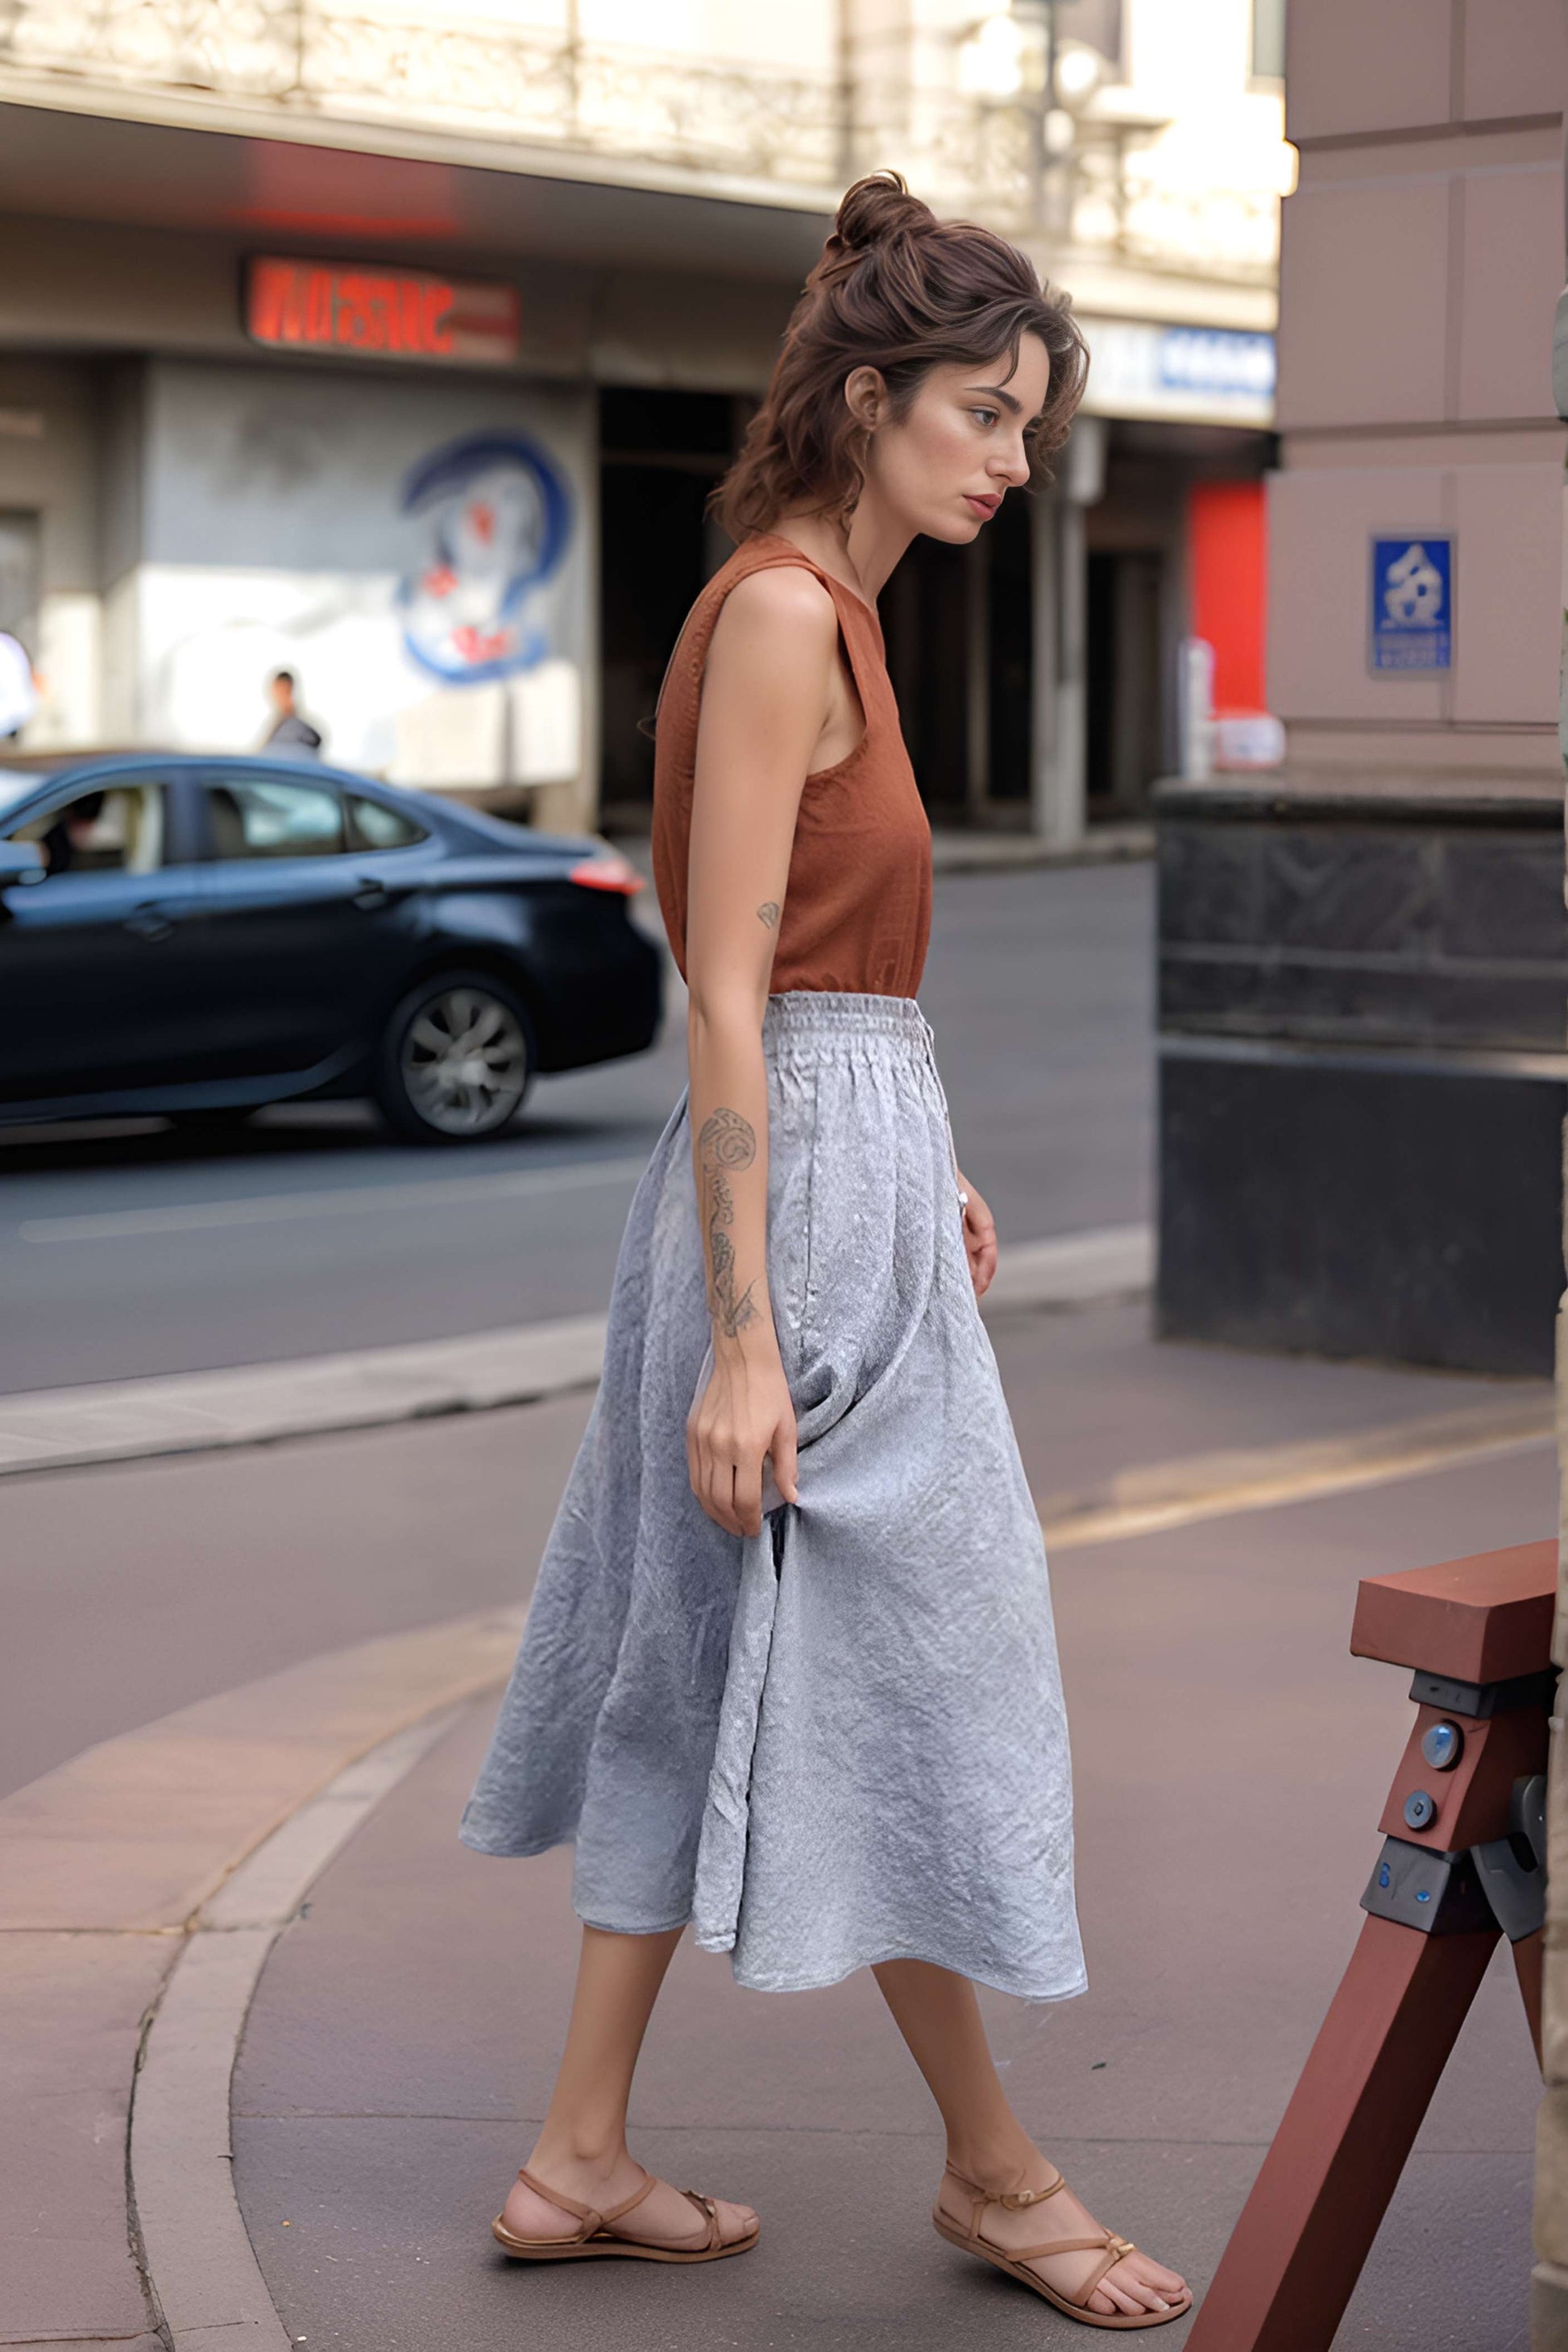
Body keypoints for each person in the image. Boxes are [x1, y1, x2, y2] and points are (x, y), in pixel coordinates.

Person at [460, 172, 1192, 2329]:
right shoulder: (781, 608)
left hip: (844, 1178)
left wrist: (924, 1145)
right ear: (868, 398)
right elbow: (725, 985)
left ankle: (577, 2153)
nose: (1009, 457)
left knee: (703, 1662)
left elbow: (836, 978)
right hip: (780, 1224)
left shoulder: (838, 606)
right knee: (923, 1667)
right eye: (981, 411)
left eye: (1029, 425)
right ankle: (999, 2165)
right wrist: (746, 1335)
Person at [261, 668, 322, 755]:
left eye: (282, 691)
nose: (277, 697)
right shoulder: (277, 723)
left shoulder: (298, 728)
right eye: (276, 692)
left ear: (289, 690)